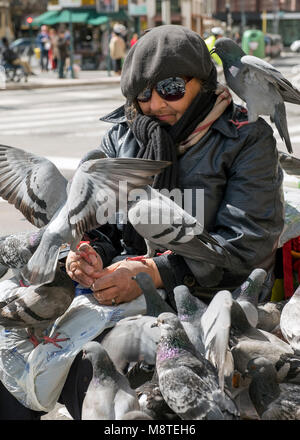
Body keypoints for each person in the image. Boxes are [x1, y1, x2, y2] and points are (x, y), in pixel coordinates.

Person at [0, 25, 284, 420]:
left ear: (202, 82)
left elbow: (246, 244)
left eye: (169, 87)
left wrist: (152, 271)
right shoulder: (123, 136)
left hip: (207, 298)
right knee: (16, 361)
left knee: (107, 374)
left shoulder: (246, 137)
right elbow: (105, 227)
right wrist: (88, 254)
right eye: (142, 94)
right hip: (114, 289)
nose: (155, 104)